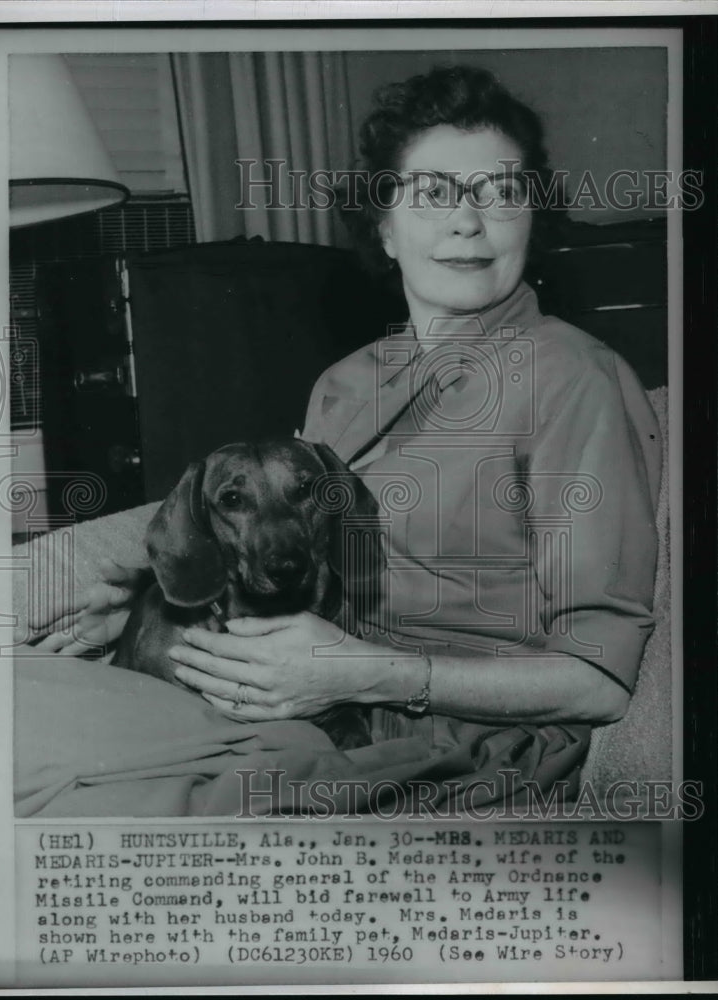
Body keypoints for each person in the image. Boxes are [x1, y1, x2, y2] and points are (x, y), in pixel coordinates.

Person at [35, 65, 661, 807]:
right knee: (12, 713)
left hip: (452, 735)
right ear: (383, 227)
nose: (468, 221)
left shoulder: (575, 380)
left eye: (500, 193)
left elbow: (598, 681)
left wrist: (361, 673)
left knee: (69, 785)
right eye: (431, 194)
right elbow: (298, 558)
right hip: (309, 695)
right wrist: (162, 607)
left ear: (533, 217)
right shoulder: (344, 382)